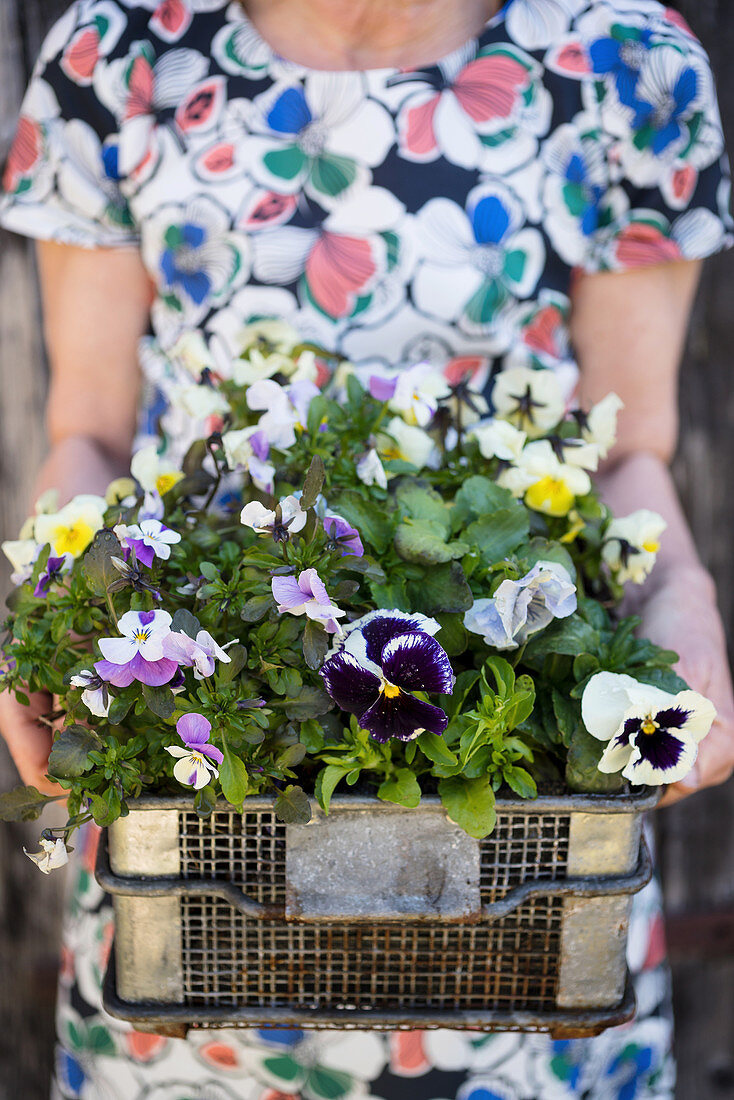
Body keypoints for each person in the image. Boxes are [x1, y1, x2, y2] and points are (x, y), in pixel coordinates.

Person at [1, 0, 733, 1096]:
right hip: (201, 815)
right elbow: (91, 430)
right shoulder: (122, 55)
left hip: (516, 869)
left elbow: (628, 450)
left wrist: (679, 597)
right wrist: (46, 615)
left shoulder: (624, 63)